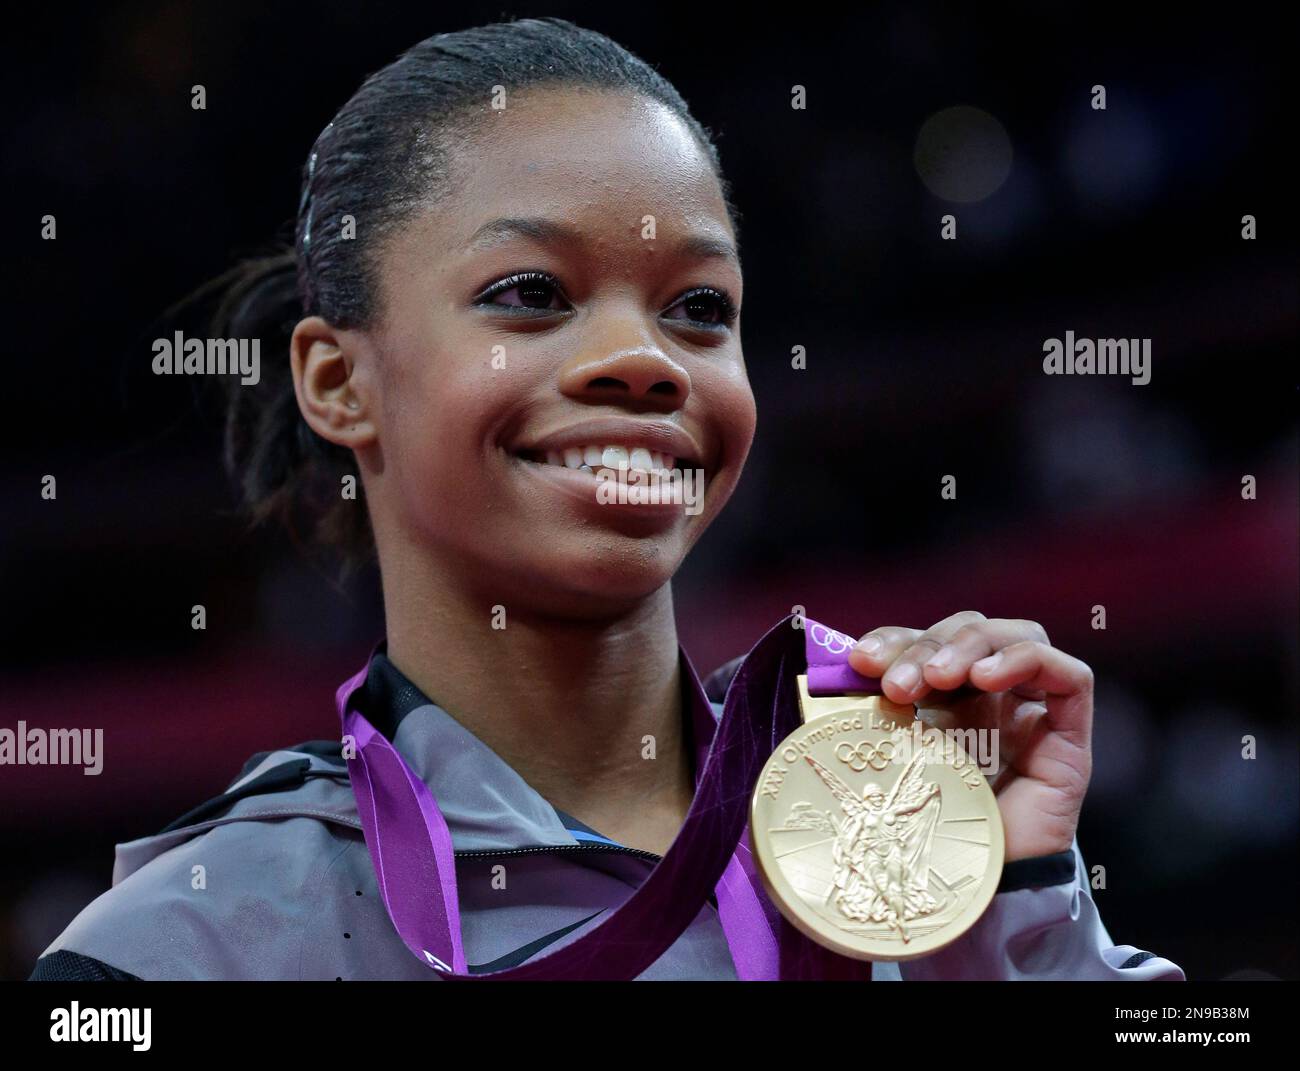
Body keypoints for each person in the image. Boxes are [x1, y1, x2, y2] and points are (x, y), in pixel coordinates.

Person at [29, 17, 1183, 981]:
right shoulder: (189, 947)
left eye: (698, 309)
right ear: (340, 380)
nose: (647, 361)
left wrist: (1016, 910)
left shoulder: (902, 836)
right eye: (531, 293)